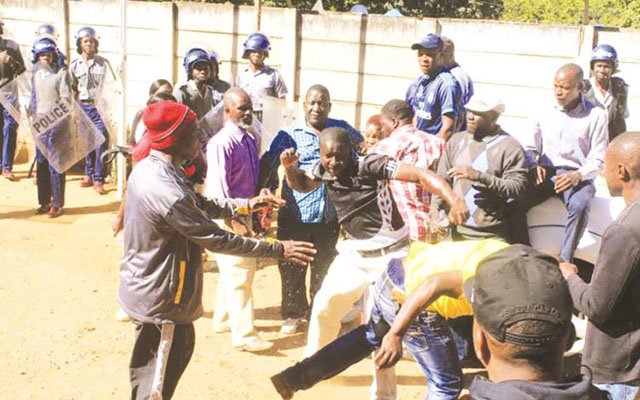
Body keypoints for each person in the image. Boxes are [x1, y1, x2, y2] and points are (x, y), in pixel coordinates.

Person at [118, 100, 316, 400]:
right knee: (153, 387)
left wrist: (248, 204)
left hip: (157, 293)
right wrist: (278, 249)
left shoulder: (158, 169)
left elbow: (201, 205)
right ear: (174, 138)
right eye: (193, 132)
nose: (200, 137)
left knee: (167, 365)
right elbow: (214, 238)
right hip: (162, 301)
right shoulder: (163, 187)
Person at [273, 241, 607, 400]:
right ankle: (299, 376)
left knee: (367, 337)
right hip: (415, 298)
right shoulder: (492, 276)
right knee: (447, 383)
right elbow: (433, 286)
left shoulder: (513, 252)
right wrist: (398, 333)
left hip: (394, 273)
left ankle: (294, 377)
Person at [281, 126, 468, 399]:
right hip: (354, 256)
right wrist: (288, 168)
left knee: (379, 328)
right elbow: (300, 183)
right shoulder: (325, 169)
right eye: (328, 157)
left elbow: (419, 174)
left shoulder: (370, 164)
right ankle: (313, 368)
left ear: (352, 151)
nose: (334, 163)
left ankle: (384, 395)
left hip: (390, 258)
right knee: (324, 305)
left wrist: (453, 199)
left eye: (339, 156)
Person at [259, 84, 363, 335]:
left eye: (323, 103)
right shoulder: (288, 133)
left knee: (324, 266)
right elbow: (268, 165)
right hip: (295, 212)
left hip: (329, 214)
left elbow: (361, 149)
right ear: (304, 105)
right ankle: (292, 313)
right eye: (312, 103)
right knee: (292, 264)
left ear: (330, 106)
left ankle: (317, 311)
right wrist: (264, 191)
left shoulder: (341, 129)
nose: (317, 108)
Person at [560, 132, 640, 400]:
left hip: (618, 370)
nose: (603, 174)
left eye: (605, 166)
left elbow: (596, 306)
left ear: (622, 171)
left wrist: (570, 276)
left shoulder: (625, 230)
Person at [204, 88, 274, 352]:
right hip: (229, 217)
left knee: (231, 272)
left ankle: (223, 319)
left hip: (245, 212)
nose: (247, 113)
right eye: (241, 108)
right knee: (241, 273)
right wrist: (235, 221)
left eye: (250, 108)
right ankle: (244, 335)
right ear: (227, 112)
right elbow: (219, 191)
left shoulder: (248, 138)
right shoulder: (221, 144)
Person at [518, 63, 608, 262]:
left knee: (581, 204)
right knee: (514, 199)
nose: (559, 92)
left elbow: (599, 158)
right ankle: (523, 251)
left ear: (580, 87)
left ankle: (566, 259)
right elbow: (529, 147)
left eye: (566, 88)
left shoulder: (596, 115)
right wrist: (533, 164)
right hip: (547, 173)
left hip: (577, 175)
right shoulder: (543, 110)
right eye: (556, 86)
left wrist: (578, 176)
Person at [431, 95, 528, 242]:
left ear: (493, 118)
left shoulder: (509, 146)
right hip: (455, 232)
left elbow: (517, 188)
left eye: (478, 113)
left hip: (490, 236)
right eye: (468, 111)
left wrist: (479, 176)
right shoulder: (457, 141)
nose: (470, 116)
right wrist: (434, 209)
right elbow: (441, 180)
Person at [370, 99, 445, 242]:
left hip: (404, 233)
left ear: (393, 122)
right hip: (436, 232)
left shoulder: (384, 148)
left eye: (383, 125)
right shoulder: (439, 144)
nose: (382, 131)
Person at [30, 37, 70, 218]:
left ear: (53, 54)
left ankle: (57, 203)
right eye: (42, 55)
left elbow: (66, 101)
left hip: (56, 123)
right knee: (41, 164)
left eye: (48, 54)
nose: (45, 58)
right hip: (39, 124)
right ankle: (44, 201)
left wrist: (56, 121)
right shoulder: (35, 73)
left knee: (56, 165)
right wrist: (31, 115)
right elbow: (33, 97)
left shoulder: (61, 73)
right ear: (37, 57)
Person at [69, 26, 112, 195]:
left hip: (99, 108)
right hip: (83, 107)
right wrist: (73, 109)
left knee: (101, 141)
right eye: (86, 41)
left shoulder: (103, 63)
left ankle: (99, 178)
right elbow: (73, 88)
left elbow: (111, 86)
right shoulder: (74, 65)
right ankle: (88, 174)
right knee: (87, 143)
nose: (89, 44)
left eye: (92, 41)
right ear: (80, 44)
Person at [405, 33, 461, 141]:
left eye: (430, 54)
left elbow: (448, 128)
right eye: (420, 54)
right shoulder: (422, 81)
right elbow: (417, 115)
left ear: (441, 55)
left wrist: (435, 153)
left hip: (434, 150)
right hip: (419, 147)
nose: (424, 59)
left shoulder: (447, 85)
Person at [236, 32, 287, 122]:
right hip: (246, 116)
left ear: (265, 54)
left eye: (260, 52)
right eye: (254, 51)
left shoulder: (273, 75)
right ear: (248, 53)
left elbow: (282, 101)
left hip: (267, 118)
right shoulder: (242, 75)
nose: (257, 54)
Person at [583, 44, 629, 141]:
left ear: (613, 69)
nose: (602, 70)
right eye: (599, 66)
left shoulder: (619, 89)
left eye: (606, 67)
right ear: (592, 68)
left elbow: (621, 120)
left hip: (612, 143)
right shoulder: (584, 89)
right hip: (588, 143)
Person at [0, 19, 26, 181]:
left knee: (10, 128)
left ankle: (7, 166)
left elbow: (22, 69)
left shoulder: (12, 47)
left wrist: (12, 62)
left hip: (9, 93)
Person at [441, 36, 473, 132]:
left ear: (450, 55)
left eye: (440, 55)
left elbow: (457, 114)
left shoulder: (456, 77)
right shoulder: (443, 73)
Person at [129, 79, 173, 146]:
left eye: (169, 93)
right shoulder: (141, 114)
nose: (167, 96)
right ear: (152, 95)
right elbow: (132, 141)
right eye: (163, 93)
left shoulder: (172, 117)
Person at [173, 47, 213, 119]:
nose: (203, 72)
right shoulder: (182, 93)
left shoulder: (209, 91)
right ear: (190, 70)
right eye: (199, 68)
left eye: (206, 68)